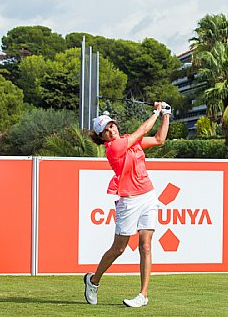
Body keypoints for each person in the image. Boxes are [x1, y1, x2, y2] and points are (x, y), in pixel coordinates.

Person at [84, 101, 171, 308]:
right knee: (119, 249)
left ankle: (143, 295)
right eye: (105, 131)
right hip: (129, 201)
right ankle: (93, 280)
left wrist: (166, 114)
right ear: (102, 137)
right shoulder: (114, 148)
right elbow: (143, 129)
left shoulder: (129, 141)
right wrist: (156, 111)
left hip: (148, 195)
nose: (111, 131)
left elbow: (159, 139)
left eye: (112, 126)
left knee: (146, 245)